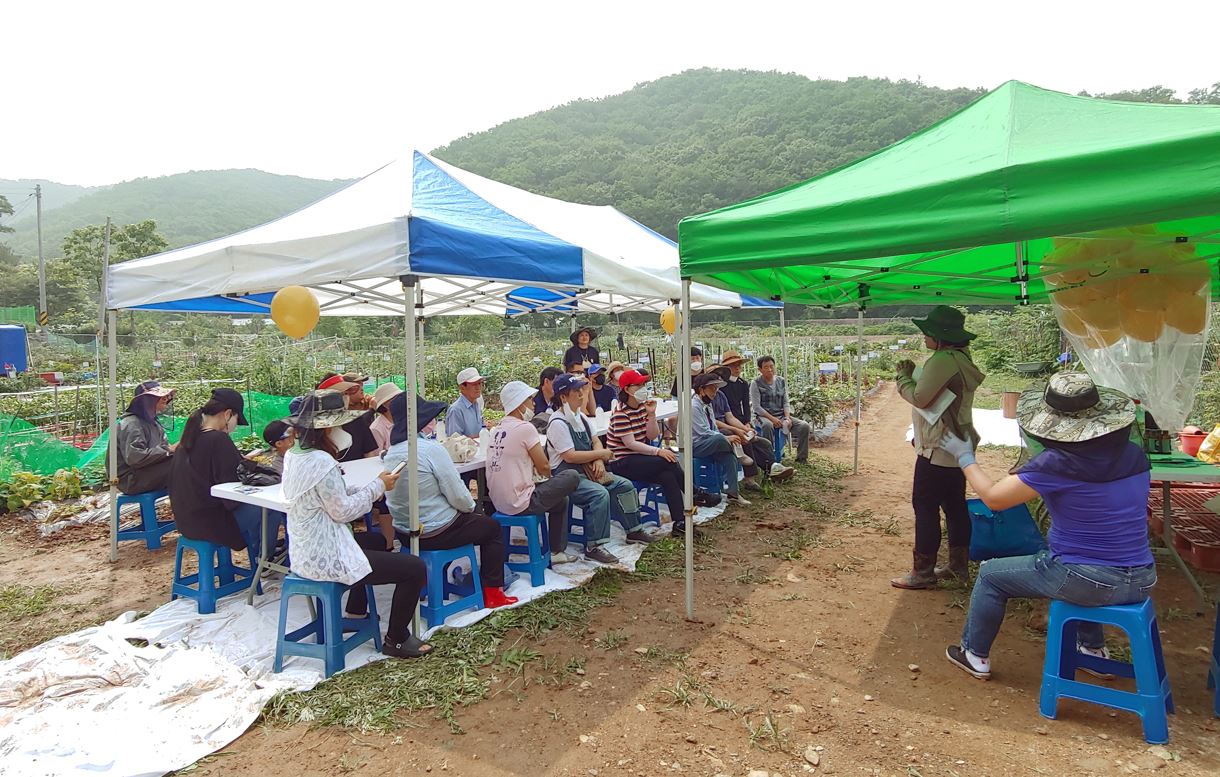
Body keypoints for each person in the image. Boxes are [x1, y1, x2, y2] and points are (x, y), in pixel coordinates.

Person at [936, 373, 1154, 681]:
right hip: (1143, 576)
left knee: (991, 575)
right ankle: (1092, 651)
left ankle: (974, 654)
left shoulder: (1058, 463)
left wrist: (965, 457)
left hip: (1086, 578)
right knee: (1080, 565)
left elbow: (994, 499)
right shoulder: (1134, 454)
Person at [281, 390, 431, 659]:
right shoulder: (321, 461)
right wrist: (377, 487)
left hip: (305, 550)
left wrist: (357, 488)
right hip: (325, 555)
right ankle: (397, 638)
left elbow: (326, 496)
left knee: (376, 542)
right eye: (338, 424)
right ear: (325, 429)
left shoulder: (295, 455)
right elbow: (343, 512)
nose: (342, 429)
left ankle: (357, 608)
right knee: (414, 568)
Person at [382, 392, 519, 608]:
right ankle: (493, 592)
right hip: (436, 531)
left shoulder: (391, 453)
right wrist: (472, 509)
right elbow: (458, 495)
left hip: (405, 533)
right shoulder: (430, 449)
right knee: (491, 528)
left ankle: (427, 582)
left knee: (470, 521)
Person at [890, 306, 986, 589]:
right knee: (955, 505)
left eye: (927, 332)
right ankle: (958, 566)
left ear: (939, 336)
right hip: (957, 443)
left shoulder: (943, 359)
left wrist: (903, 377)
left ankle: (923, 572)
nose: (924, 337)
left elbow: (921, 398)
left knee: (925, 506)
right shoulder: (962, 358)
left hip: (939, 446)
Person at [547, 373, 653, 562]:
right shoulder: (557, 422)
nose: (581, 395)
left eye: (582, 390)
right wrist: (601, 455)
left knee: (624, 486)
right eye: (576, 392)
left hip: (588, 469)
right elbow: (569, 455)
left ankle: (634, 529)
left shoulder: (582, 418)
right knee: (599, 494)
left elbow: (596, 441)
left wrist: (597, 461)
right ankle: (594, 545)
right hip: (567, 477)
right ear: (563, 397)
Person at [170, 388, 278, 562]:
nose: (235, 426)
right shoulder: (218, 439)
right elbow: (235, 484)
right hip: (212, 524)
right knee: (270, 508)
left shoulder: (186, 440)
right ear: (227, 414)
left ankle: (261, 555)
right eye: (236, 419)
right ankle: (264, 560)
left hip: (186, 522)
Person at [486, 380, 582, 565]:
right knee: (571, 476)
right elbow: (544, 466)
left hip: (499, 502)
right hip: (521, 501)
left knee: (561, 500)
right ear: (519, 404)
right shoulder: (525, 428)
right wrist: (551, 481)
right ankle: (556, 551)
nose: (534, 403)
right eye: (530, 400)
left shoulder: (496, 430)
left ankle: (557, 551)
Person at [607, 369, 694, 539]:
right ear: (627, 389)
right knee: (665, 459)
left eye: (644, 384)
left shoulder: (641, 408)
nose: (643, 388)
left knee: (667, 476)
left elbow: (651, 436)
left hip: (640, 460)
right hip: (623, 462)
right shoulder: (620, 413)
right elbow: (630, 444)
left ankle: (680, 522)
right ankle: (693, 491)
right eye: (638, 385)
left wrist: (652, 415)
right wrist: (658, 451)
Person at [708, 365, 793, 488]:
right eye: (715, 377)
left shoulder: (721, 395)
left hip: (727, 427)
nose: (718, 380)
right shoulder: (704, 398)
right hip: (714, 431)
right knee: (744, 439)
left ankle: (772, 468)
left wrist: (745, 428)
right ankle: (750, 477)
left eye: (720, 377)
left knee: (762, 442)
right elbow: (712, 421)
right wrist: (737, 430)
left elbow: (730, 417)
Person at [691, 373, 749, 505]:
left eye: (716, 389)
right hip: (696, 446)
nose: (715, 392)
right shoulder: (694, 406)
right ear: (701, 389)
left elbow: (714, 427)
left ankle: (733, 493)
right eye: (712, 389)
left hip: (709, 443)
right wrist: (727, 438)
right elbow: (703, 432)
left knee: (730, 458)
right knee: (721, 438)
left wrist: (727, 438)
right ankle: (740, 453)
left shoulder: (707, 405)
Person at [112, 380, 176, 494]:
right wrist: (169, 450)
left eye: (165, 397)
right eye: (161, 397)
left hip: (145, 471)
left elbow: (163, 449)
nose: (166, 399)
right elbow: (134, 457)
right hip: (131, 479)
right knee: (182, 464)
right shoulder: (132, 423)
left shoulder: (154, 423)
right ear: (146, 401)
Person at [751, 356, 811, 465]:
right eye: (766, 367)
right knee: (767, 426)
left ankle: (802, 458)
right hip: (763, 417)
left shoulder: (781, 381)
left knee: (804, 426)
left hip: (781, 415)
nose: (769, 369)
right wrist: (773, 419)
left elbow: (785, 402)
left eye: (771, 366)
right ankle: (769, 461)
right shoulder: (755, 383)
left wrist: (787, 417)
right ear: (760, 370)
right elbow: (757, 407)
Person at [317, 374, 379, 462]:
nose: (345, 398)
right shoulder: (314, 428)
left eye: (346, 393)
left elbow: (369, 452)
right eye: (340, 394)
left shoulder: (356, 420)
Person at [446, 367, 488, 439]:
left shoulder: (477, 404)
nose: (478, 387)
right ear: (462, 387)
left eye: (479, 383)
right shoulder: (456, 410)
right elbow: (455, 441)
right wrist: (480, 437)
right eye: (474, 384)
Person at [370, 382, 402, 454]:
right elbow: (376, 457)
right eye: (396, 398)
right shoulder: (376, 428)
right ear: (385, 404)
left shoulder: (403, 420)